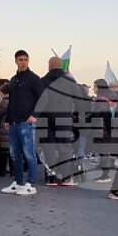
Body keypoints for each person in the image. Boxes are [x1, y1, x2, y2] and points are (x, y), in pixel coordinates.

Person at [1, 50, 43, 196]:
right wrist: (7, 119)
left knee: (29, 154)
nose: (23, 62)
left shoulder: (34, 79)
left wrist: (34, 115)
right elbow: (11, 101)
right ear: (16, 61)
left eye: (25, 59)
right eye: (20, 59)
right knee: (15, 154)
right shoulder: (13, 80)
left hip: (27, 122)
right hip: (13, 122)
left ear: (28, 61)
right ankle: (18, 183)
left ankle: (31, 184)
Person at [40, 56, 85, 187]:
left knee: (48, 148)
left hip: (45, 119)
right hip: (64, 118)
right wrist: (79, 115)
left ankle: (51, 177)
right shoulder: (69, 82)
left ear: (49, 66)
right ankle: (66, 177)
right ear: (61, 66)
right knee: (65, 147)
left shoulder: (42, 81)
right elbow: (79, 101)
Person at [89, 78, 115, 183]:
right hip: (104, 129)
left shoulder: (100, 100)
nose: (93, 89)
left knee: (103, 152)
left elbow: (96, 114)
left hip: (101, 130)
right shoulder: (105, 98)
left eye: (95, 87)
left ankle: (105, 176)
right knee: (104, 152)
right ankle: (105, 170)